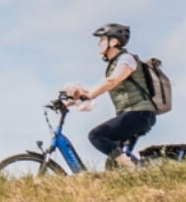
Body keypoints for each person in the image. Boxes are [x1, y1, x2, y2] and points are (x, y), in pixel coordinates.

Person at [64, 23, 157, 169]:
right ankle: (137, 170)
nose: (98, 43)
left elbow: (112, 81)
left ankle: (134, 170)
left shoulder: (126, 59)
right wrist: (71, 99)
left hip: (140, 113)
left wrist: (88, 96)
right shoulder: (113, 66)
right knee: (114, 164)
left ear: (113, 41)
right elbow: (95, 89)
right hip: (132, 114)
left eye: (102, 39)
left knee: (96, 136)